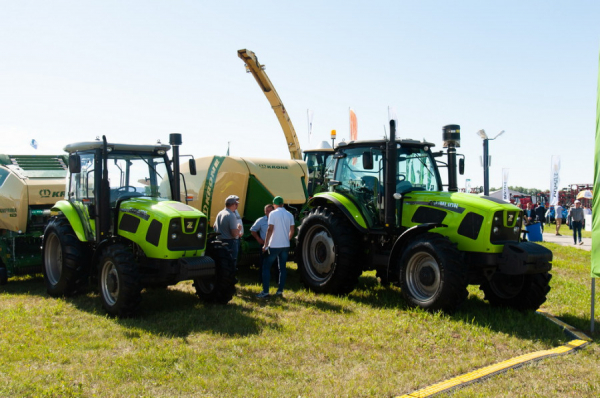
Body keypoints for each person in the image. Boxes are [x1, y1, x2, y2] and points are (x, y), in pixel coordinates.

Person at [257, 196, 295, 298]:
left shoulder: (273, 214)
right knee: (282, 268)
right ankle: (280, 291)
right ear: (282, 204)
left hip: (274, 245)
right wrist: (287, 239)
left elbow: (270, 229)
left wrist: (265, 245)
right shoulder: (289, 214)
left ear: (274, 205)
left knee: (266, 267)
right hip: (285, 245)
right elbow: (292, 230)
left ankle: (265, 292)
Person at [213, 195, 243, 268]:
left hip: (220, 241)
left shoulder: (220, 213)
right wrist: (239, 229)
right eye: (236, 204)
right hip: (230, 242)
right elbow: (234, 234)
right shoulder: (231, 215)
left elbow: (214, 226)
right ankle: (230, 278)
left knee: (222, 263)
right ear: (233, 204)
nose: (237, 206)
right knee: (231, 263)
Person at [250, 204, 274, 282]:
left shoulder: (277, 220)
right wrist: (258, 239)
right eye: (267, 211)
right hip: (264, 245)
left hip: (275, 245)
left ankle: (276, 280)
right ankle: (262, 280)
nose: (269, 212)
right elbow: (253, 230)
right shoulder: (261, 220)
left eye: (270, 211)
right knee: (263, 263)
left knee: (276, 263)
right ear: (264, 212)